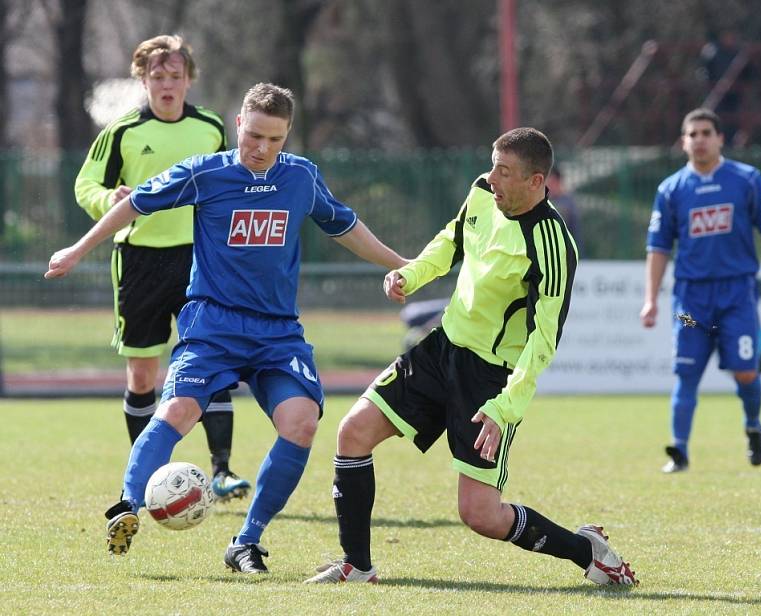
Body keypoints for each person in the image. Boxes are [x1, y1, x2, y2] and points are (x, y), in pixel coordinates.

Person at [46, 82, 408, 571]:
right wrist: (77, 250)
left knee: (301, 423)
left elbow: (343, 225)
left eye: (274, 140)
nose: (261, 149)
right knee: (177, 410)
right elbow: (134, 204)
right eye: (254, 135)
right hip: (213, 325)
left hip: (277, 333)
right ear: (238, 125)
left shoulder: (301, 177)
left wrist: (401, 264)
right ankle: (128, 506)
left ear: (288, 136)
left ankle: (246, 542)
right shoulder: (204, 174)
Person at [305, 128, 637, 586]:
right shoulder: (483, 191)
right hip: (442, 347)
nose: (493, 178)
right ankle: (356, 566)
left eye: (505, 171)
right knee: (353, 433)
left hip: (490, 379)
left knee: (480, 514)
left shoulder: (553, 244)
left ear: (536, 181)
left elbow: (543, 340)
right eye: (493, 165)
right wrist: (410, 274)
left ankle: (587, 552)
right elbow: (451, 240)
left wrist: (505, 408)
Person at [74, 34, 250, 501]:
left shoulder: (211, 128)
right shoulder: (123, 131)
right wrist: (105, 199)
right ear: (142, 79)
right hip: (140, 262)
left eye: (175, 76)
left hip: (200, 259)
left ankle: (222, 471)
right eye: (157, 76)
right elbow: (85, 184)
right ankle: (151, 479)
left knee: (212, 362)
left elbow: (229, 183)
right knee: (143, 376)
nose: (167, 84)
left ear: (189, 79)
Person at [640, 108, 761, 474]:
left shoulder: (747, 180)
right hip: (689, 300)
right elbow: (658, 249)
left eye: (707, 132)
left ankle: (754, 425)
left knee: (744, 371)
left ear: (720, 138)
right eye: (693, 134)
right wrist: (650, 299)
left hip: (738, 295)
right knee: (685, 372)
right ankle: (679, 450)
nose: (700, 139)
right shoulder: (671, 189)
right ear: (683, 142)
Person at [547, 166, 582, 253]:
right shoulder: (545, 202)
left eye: (552, 183)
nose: (549, 186)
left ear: (559, 181)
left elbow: (575, 232)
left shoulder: (568, 204)